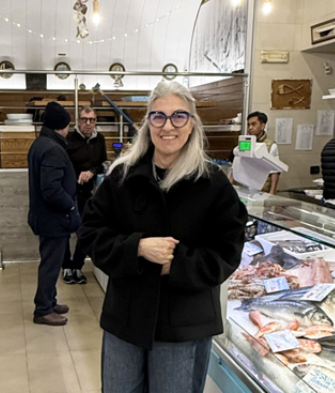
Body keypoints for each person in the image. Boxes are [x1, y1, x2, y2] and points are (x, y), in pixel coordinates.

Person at [79, 81, 247, 393]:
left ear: (192, 124)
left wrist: (176, 264)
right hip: (125, 317)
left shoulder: (213, 184)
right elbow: (90, 233)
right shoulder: (122, 177)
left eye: (178, 116)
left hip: (184, 322)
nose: (167, 126)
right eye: (158, 117)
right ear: (147, 124)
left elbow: (228, 251)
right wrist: (137, 248)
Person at [27, 101, 81, 326]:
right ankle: (43, 310)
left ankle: (50, 300)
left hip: (46, 217)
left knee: (52, 261)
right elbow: (51, 189)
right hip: (54, 218)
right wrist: (70, 206)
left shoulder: (40, 143)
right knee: (51, 263)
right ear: (62, 126)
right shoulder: (53, 149)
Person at [63, 106, 106, 285]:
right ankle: (66, 267)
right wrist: (76, 174)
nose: (88, 123)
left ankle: (77, 267)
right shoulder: (68, 139)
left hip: (87, 193)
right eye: (84, 119)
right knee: (65, 230)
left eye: (92, 120)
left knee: (85, 231)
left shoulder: (100, 140)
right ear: (78, 121)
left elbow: (102, 163)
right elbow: (62, 163)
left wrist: (91, 171)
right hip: (67, 191)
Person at [244, 111, 281, 194]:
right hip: (246, 188)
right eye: (248, 125)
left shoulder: (271, 145)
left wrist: (272, 193)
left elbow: (275, 171)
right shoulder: (246, 142)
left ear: (262, 126)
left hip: (262, 190)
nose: (250, 127)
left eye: (253, 124)